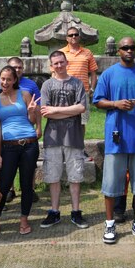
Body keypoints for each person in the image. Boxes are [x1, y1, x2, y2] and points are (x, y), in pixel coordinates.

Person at [93, 36, 135, 245]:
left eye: (132, 47)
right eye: (125, 48)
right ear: (118, 51)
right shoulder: (109, 74)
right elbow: (98, 101)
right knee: (111, 185)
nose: (129, 50)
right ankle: (110, 223)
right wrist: (116, 104)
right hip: (116, 138)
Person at [39, 50, 89, 229]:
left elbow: (82, 107)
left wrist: (55, 111)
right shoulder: (47, 85)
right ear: (51, 66)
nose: (59, 65)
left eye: (61, 62)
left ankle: (76, 212)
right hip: (52, 137)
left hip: (73, 136)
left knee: (75, 176)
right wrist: (68, 110)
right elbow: (45, 112)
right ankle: (54, 211)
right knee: (53, 176)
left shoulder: (77, 83)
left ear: (66, 62)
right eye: (55, 63)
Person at [0, 64, 41, 236]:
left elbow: (32, 120)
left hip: (29, 143)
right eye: (2, 79)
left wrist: (33, 111)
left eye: (9, 79)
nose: (5, 82)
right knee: (3, 185)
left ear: (15, 80)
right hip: (8, 146)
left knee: (27, 185)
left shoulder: (24, 94)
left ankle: (24, 220)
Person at [2, 56, 42, 202]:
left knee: (29, 164)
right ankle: (10, 190)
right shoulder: (4, 83)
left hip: (27, 127)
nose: (17, 70)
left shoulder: (30, 85)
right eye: (14, 67)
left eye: (19, 67)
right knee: (9, 164)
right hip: (9, 131)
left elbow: (37, 107)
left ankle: (29, 189)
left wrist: (39, 127)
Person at [59, 26, 98, 141]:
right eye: (71, 35)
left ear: (79, 37)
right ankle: (65, 146)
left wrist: (92, 89)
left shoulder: (87, 53)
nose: (73, 37)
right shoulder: (61, 53)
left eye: (76, 34)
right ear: (67, 38)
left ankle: (80, 147)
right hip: (64, 91)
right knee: (64, 119)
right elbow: (55, 73)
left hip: (83, 91)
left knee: (82, 121)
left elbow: (93, 73)